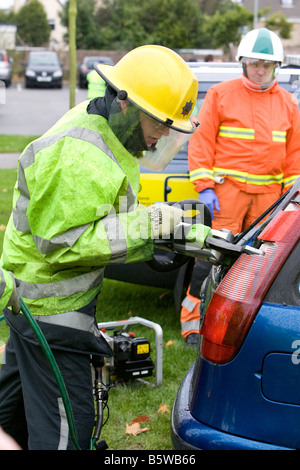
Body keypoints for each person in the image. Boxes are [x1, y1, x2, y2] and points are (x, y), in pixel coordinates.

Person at [0, 45, 198, 450]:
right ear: (125, 102)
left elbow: (92, 214)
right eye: (158, 122)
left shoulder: (105, 133)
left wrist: (153, 234)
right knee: (67, 432)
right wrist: (148, 227)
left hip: (30, 302)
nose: (162, 134)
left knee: (11, 415)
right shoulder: (80, 154)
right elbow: (63, 245)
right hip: (50, 314)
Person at [181, 27, 300, 347]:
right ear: (243, 63)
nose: (260, 70)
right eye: (254, 64)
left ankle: (238, 329)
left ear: (276, 67)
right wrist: (204, 187)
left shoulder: (288, 104)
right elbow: (202, 143)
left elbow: (294, 158)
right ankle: (191, 323)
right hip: (226, 196)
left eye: (267, 65)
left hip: (268, 202)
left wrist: (290, 201)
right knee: (207, 258)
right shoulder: (221, 94)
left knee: (255, 269)